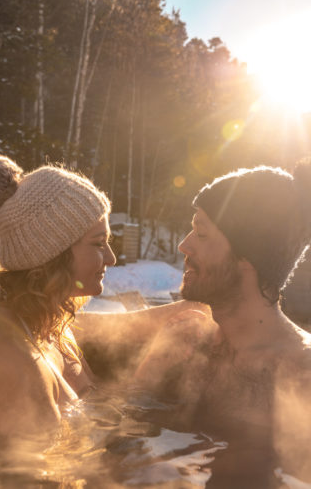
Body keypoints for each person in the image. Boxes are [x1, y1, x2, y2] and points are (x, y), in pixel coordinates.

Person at [81, 164, 311, 485]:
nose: (184, 246)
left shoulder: (301, 374)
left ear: (248, 257)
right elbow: (119, 427)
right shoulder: (184, 339)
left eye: (201, 233)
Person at [0, 155, 117, 452]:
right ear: (52, 254)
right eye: (98, 244)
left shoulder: (50, 322)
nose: (111, 259)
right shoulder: (12, 361)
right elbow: (40, 476)